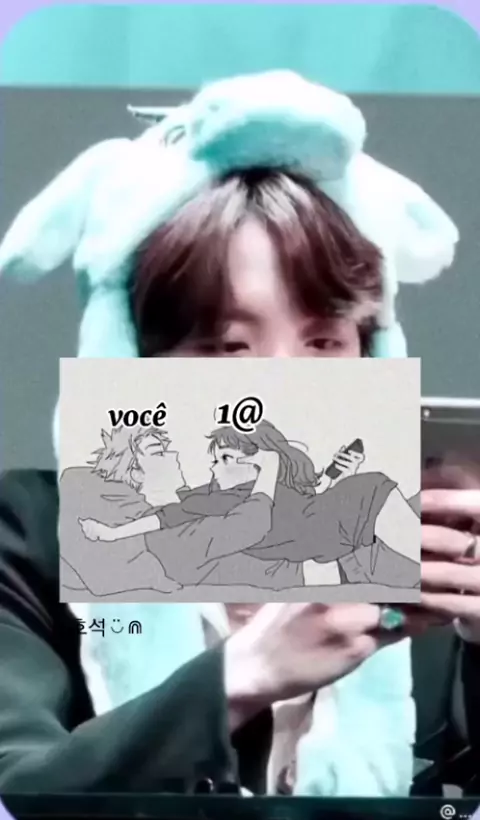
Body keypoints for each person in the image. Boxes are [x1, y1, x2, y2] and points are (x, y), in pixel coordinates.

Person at [0, 70, 479, 797]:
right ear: (134, 364)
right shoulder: (29, 538)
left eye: (324, 343)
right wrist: (244, 675)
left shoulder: (421, 541)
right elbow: (18, 790)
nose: (284, 386)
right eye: (228, 347)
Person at [81, 419, 420, 591]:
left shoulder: (247, 491)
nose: (176, 455)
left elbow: (304, 505)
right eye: (159, 452)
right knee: (387, 503)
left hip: (338, 532)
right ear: (135, 471)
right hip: (338, 550)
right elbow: (171, 517)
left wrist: (336, 477)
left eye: (226, 458)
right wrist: (111, 534)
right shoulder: (204, 510)